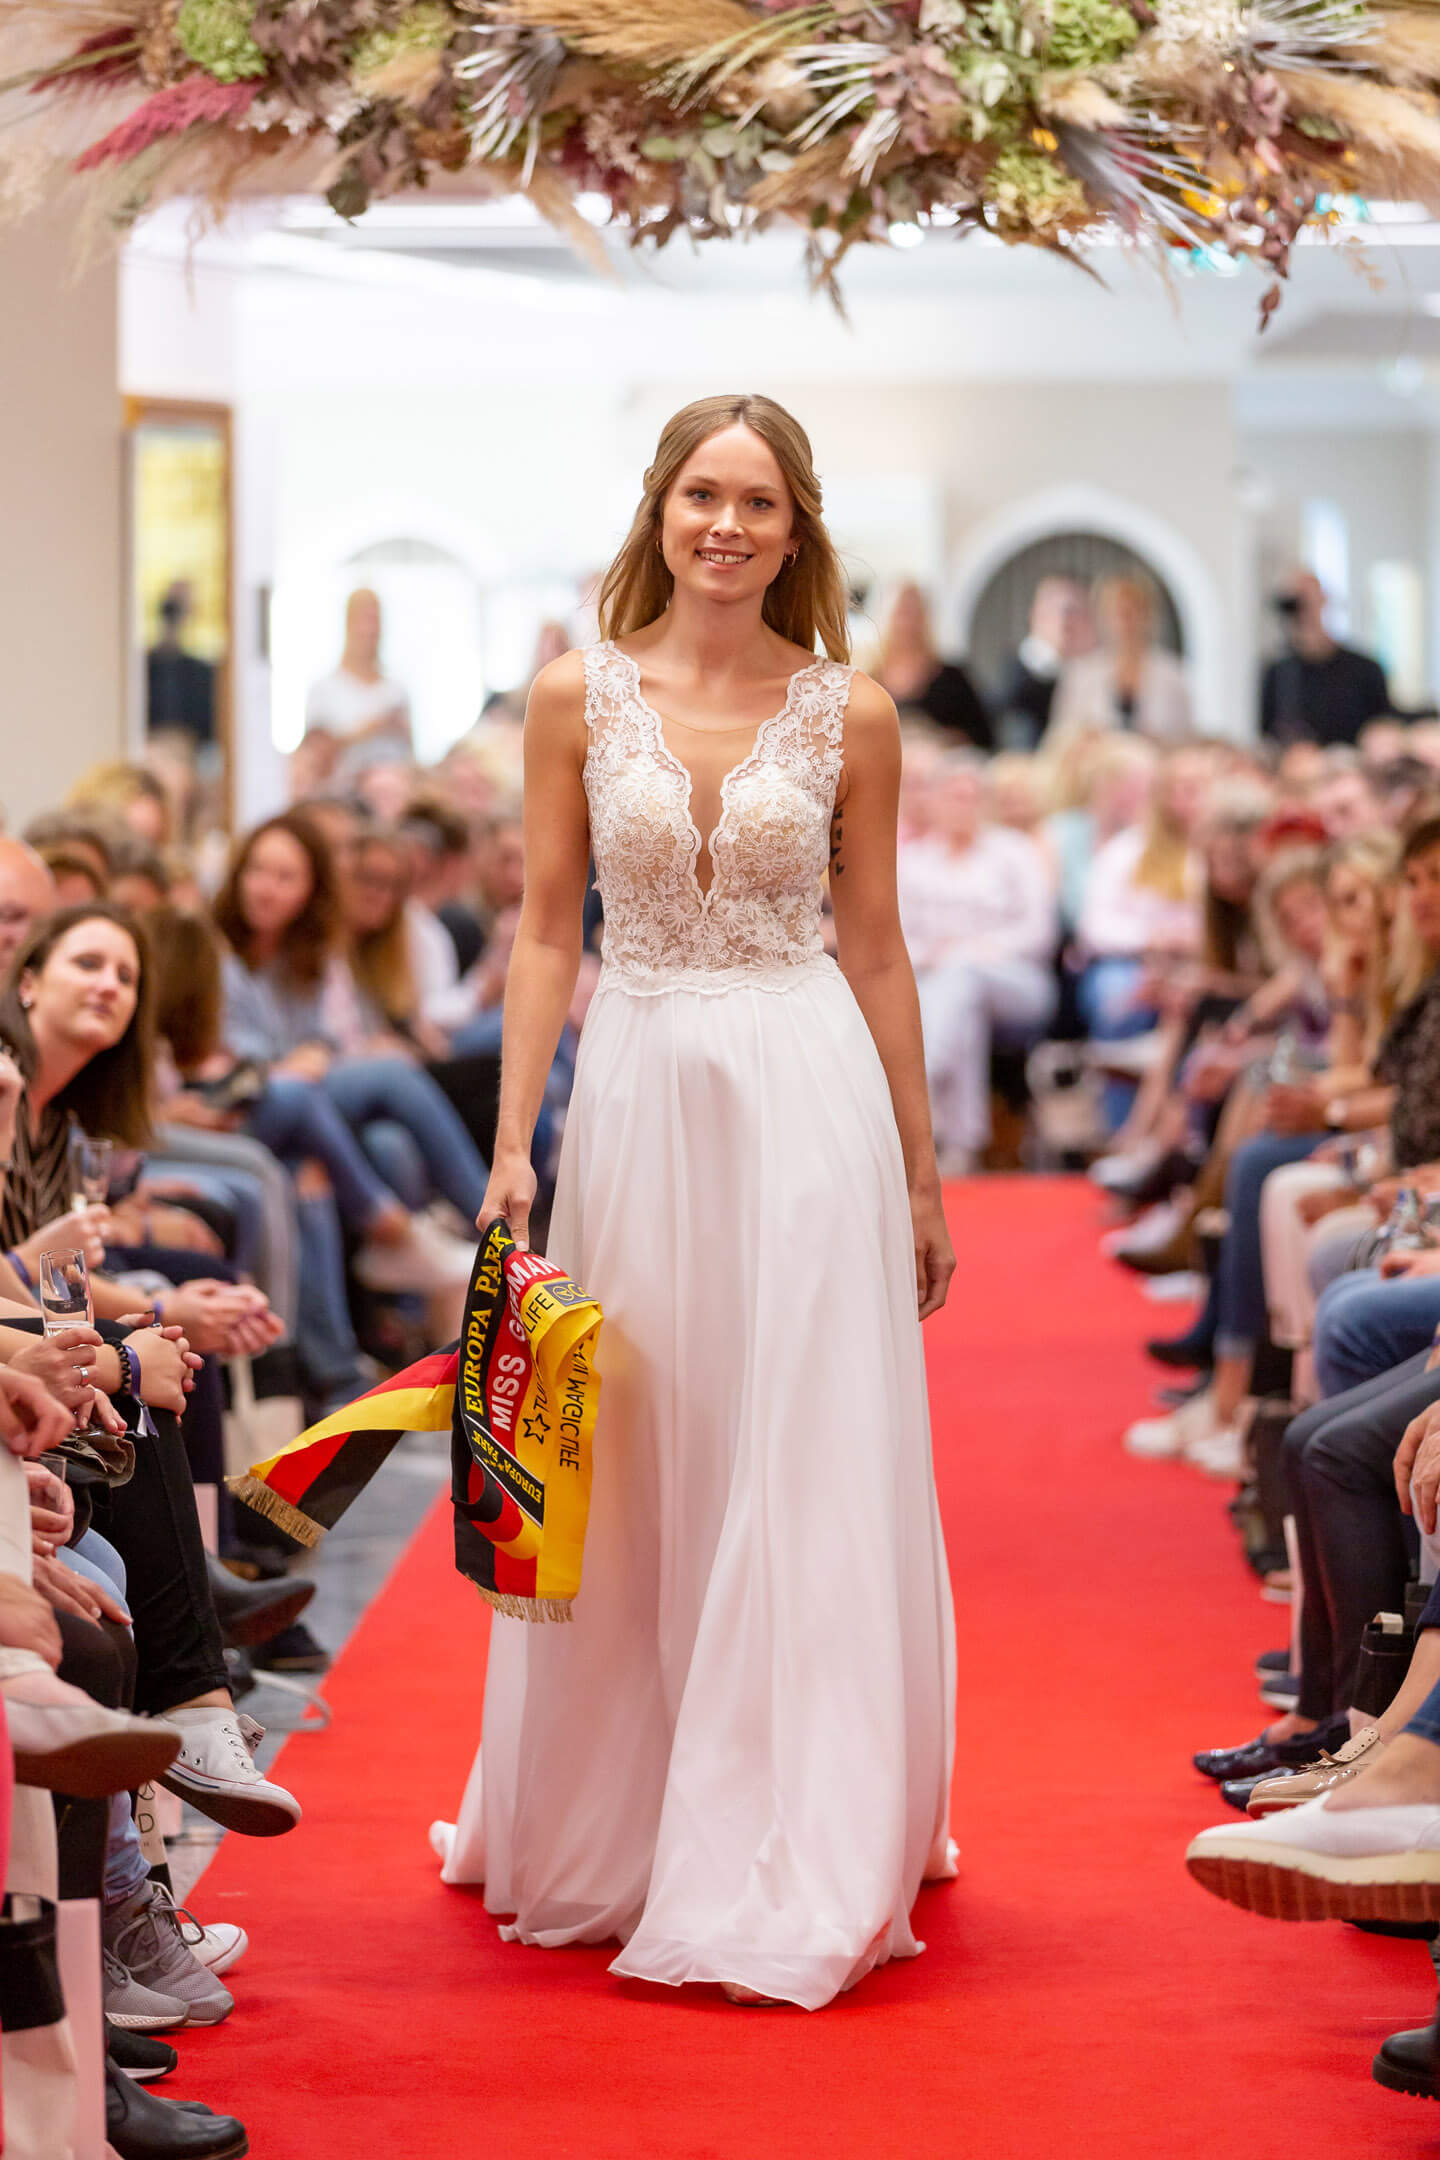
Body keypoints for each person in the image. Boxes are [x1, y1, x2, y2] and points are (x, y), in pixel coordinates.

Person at [438, 392, 957, 2011]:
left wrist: (923, 1167)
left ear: (796, 532)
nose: (725, 525)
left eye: (757, 502)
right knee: (651, 1445)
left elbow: (877, 946)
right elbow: (546, 930)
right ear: (660, 510)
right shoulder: (574, 695)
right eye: (701, 495)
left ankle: (809, 1818)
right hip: (642, 1081)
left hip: (807, 1087)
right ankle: (634, 1808)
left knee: (797, 1441)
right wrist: (514, 1141)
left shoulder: (852, 710)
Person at [898, 754, 1058, 1174]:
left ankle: (921, 1083)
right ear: (934, 801)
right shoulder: (912, 861)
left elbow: (1040, 932)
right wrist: (938, 955)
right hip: (936, 982)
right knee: (961, 998)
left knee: (961, 974)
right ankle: (962, 1145)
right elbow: (899, 936)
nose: (962, 806)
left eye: (971, 797)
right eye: (953, 797)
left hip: (1017, 980)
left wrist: (977, 948)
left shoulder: (1016, 852)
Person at [1045, 573, 1192, 749]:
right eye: (1117, 612)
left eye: (1132, 612)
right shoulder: (1081, 674)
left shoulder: (1171, 674)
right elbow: (1061, 738)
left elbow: (1185, 739)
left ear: (1148, 616)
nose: (1124, 621)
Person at [1260, 570, 1390, 747]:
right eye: (1295, 601)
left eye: (1308, 598)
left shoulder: (1365, 670)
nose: (1303, 608)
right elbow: (1268, 735)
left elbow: (1382, 729)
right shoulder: (1278, 674)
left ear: (1323, 600)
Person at [872, 581, 991, 747]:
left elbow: (983, 735)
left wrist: (938, 739)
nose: (908, 623)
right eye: (902, 613)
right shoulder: (868, 679)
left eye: (915, 613)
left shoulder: (952, 678)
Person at [303, 588, 412, 761]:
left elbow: (410, 756)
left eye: (375, 620)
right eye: (363, 620)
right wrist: (369, 729)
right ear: (348, 624)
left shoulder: (396, 692)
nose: (370, 630)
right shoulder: (323, 690)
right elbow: (313, 757)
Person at [989, 574, 1094, 748]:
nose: (1066, 621)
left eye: (1075, 612)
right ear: (1036, 614)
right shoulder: (1017, 675)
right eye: (1057, 610)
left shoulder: (1092, 670)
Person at [146, 581, 215, 751]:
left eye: (180, 609)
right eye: (171, 608)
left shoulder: (202, 673)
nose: (175, 617)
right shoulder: (145, 667)